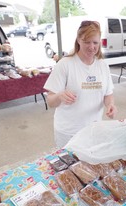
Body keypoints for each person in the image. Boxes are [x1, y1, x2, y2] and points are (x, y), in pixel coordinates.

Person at [43, 20, 117, 148]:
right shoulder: (65, 64)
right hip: (68, 133)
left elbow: (108, 94)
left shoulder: (102, 65)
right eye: (86, 42)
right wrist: (60, 96)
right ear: (78, 40)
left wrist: (110, 105)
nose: (91, 47)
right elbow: (50, 101)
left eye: (95, 42)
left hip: (93, 130)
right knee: (71, 167)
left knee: (90, 166)